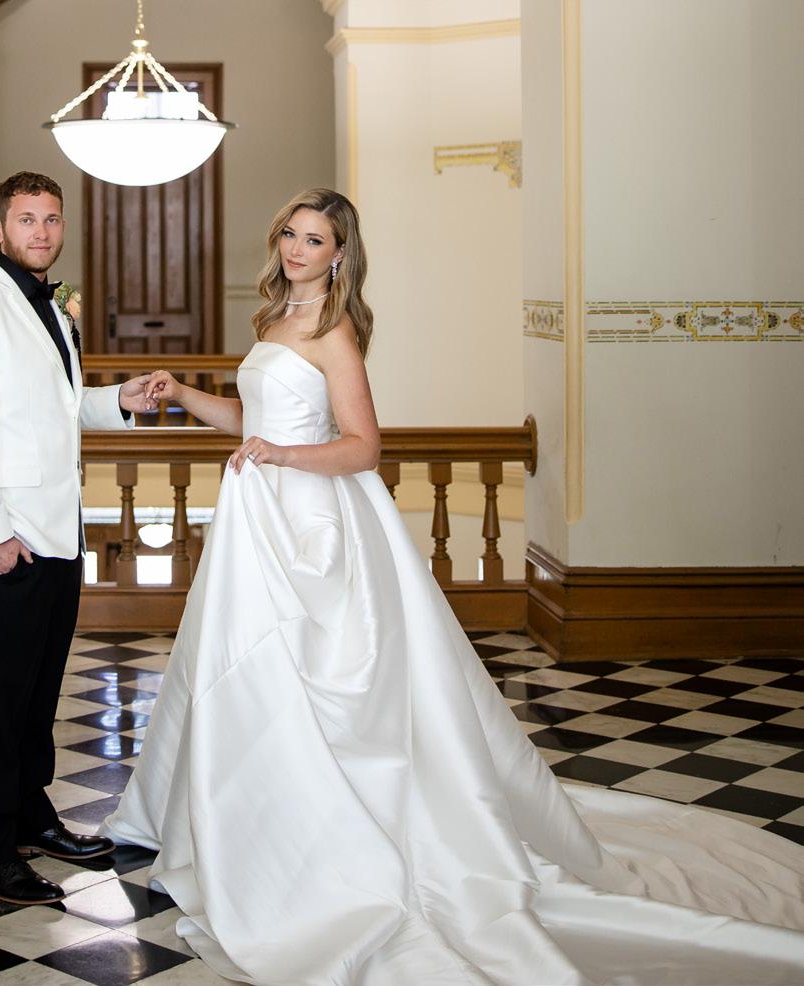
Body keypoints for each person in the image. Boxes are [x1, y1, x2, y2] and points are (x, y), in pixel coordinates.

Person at [107, 188, 804, 985]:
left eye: (315, 239)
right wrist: (180, 394)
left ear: (339, 254)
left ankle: (335, 842)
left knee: (323, 680)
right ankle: (253, 827)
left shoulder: (334, 330)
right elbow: (252, 417)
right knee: (247, 671)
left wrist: (282, 457)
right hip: (260, 519)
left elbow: (362, 447)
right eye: (290, 234)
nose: (297, 249)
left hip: (313, 525)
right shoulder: (273, 320)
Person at [0, 170, 155, 907]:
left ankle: (33, 816)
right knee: (1, 701)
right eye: (26, 219)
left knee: (38, 694)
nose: (41, 231)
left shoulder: (52, 308)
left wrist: (115, 400)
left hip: (59, 531)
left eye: (51, 218)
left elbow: (53, 407)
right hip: (9, 541)